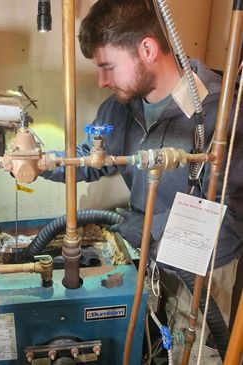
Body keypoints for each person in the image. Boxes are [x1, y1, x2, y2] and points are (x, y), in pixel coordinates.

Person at [41, 0, 243, 364]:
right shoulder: (123, 105)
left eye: (108, 66)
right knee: (151, 340)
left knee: (193, 353)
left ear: (147, 49)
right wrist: (40, 161)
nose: (102, 80)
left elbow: (230, 208)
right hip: (148, 252)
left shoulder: (220, 112)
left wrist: (151, 229)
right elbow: (91, 159)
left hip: (204, 266)